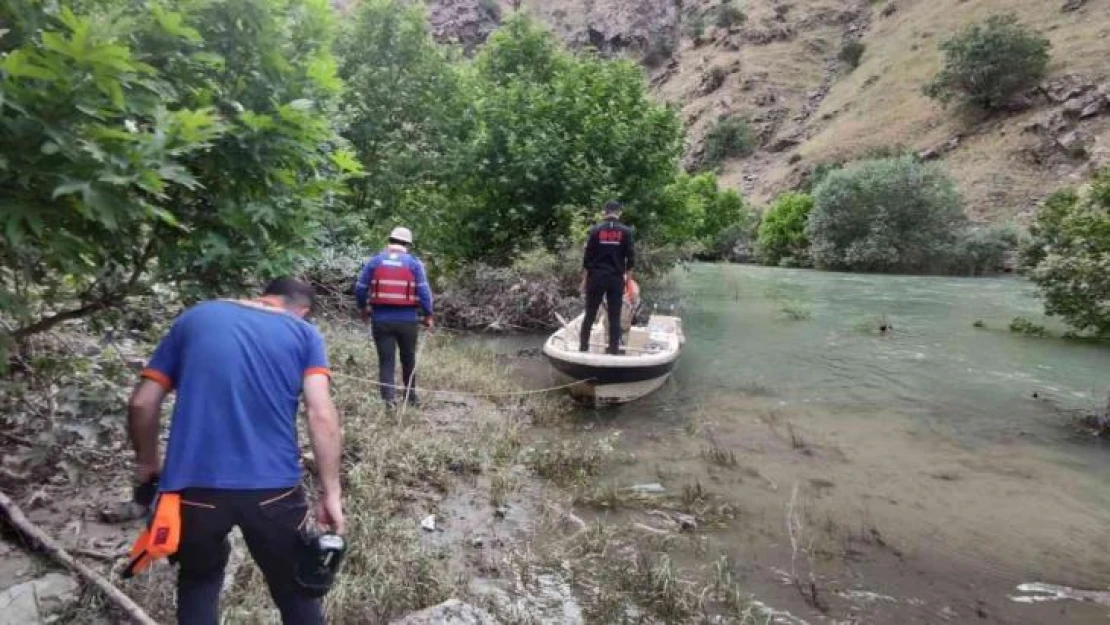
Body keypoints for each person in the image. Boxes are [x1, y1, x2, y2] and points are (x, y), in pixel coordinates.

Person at [126, 278, 344, 625]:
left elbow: (141, 404)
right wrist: (331, 492)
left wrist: (148, 465)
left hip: (193, 489)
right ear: (303, 311)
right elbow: (320, 414)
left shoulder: (196, 318)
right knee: (295, 590)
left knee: (199, 580)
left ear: (264, 296)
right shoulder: (303, 334)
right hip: (274, 491)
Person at [354, 226, 434, 408]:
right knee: (408, 358)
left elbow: (359, 288)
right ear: (407, 244)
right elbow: (424, 292)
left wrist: (363, 308)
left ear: (389, 241)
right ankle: (411, 397)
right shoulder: (414, 264)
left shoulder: (374, 262)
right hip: (408, 321)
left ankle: (389, 401)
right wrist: (428, 314)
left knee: (386, 361)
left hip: (380, 320)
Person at [580, 200, 636, 354]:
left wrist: (584, 280)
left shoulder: (595, 230)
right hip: (615, 278)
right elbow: (630, 260)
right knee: (614, 317)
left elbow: (587, 258)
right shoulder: (626, 232)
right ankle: (613, 350)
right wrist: (628, 283)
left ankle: (583, 348)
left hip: (596, 277)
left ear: (604, 212)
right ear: (620, 212)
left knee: (590, 314)